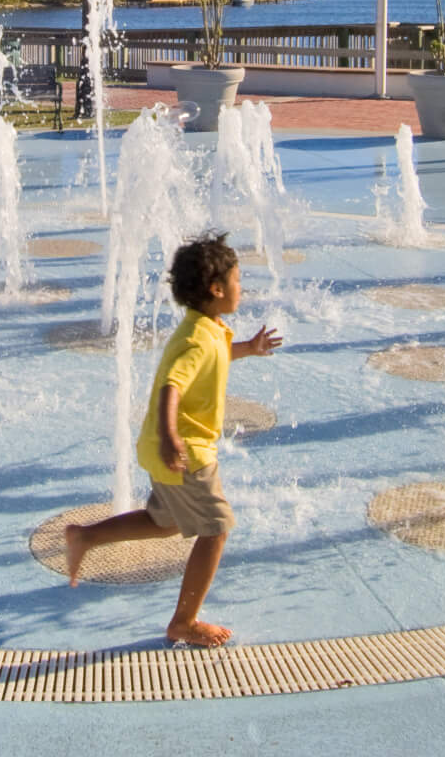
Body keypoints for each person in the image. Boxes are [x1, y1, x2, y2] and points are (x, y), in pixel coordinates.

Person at [61, 232, 283, 648]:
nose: (242, 287)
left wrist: (247, 349)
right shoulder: (197, 338)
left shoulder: (209, 328)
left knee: (165, 523)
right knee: (216, 530)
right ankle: (185, 621)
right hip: (186, 451)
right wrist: (170, 438)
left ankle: (85, 536)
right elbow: (171, 388)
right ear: (217, 290)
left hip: (168, 449)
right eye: (238, 281)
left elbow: (215, 355)